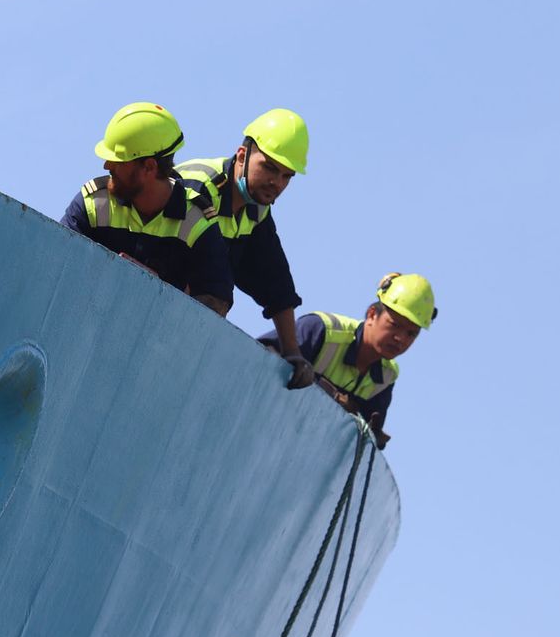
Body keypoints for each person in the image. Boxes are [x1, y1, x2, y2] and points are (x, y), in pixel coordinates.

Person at [178, 108, 314, 388]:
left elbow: (276, 284)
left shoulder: (256, 211)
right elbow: (171, 263)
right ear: (242, 155)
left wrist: (293, 354)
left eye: (287, 176)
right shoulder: (199, 187)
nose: (277, 182)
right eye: (269, 168)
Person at [60, 102, 233, 315]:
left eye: (118, 159)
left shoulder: (197, 222)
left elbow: (216, 305)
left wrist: (156, 291)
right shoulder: (93, 204)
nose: (107, 166)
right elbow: (58, 265)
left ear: (149, 167)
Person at [260, 272, 435, 445]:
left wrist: (373, 435)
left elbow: (362, 441)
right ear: (372, 314)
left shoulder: (386, 376)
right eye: (395, 325)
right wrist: (327, 393)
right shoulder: (323, 330)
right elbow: (261, 358)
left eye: (411, 333)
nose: (401, 338)